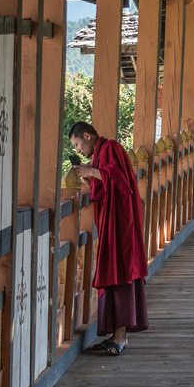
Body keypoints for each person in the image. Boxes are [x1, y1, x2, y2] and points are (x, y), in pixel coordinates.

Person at [69, 121, 148, 355]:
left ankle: (121, 337)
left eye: (77, 144)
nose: (78, 150)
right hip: (111, 224)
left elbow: (123, 183)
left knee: (121, 272)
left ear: (87, 135)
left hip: (122, 226)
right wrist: (90, 178)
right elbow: (107, 188)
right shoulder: (100, 154)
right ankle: (115, 334)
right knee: (112, 272)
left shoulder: (111, 147)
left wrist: (93, 172)